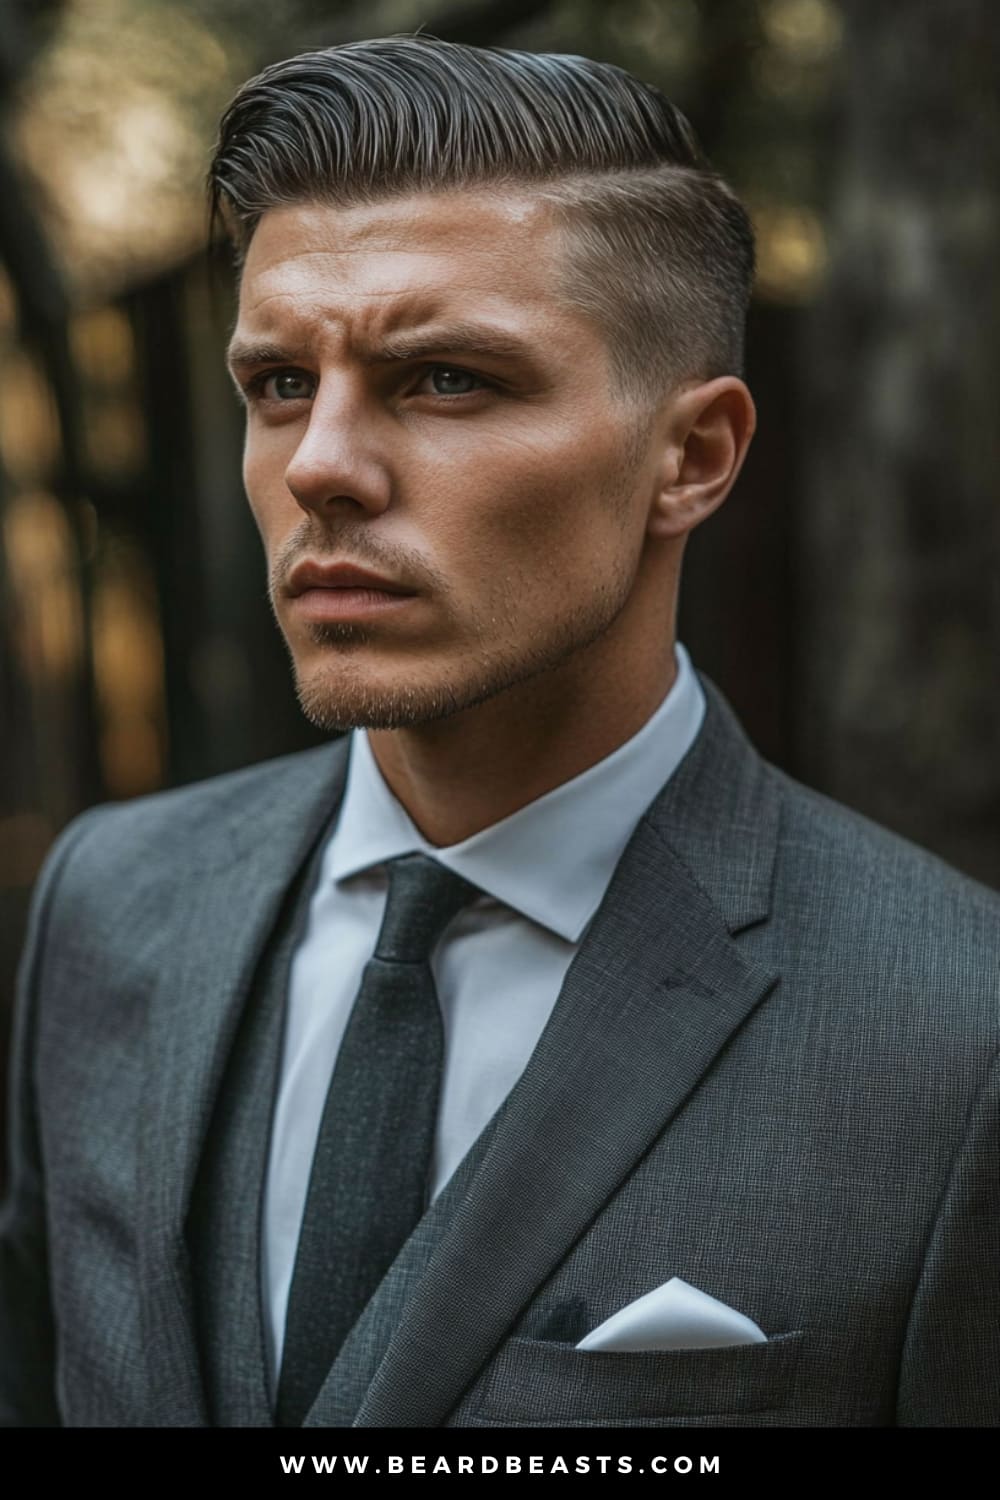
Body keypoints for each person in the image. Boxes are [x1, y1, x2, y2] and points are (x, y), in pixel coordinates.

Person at [2, 35, 998, 1431]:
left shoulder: (960, 1039)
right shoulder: (109, 905)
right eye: (280, 383)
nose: (322, 467)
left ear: (692, 457)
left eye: (447, 379)